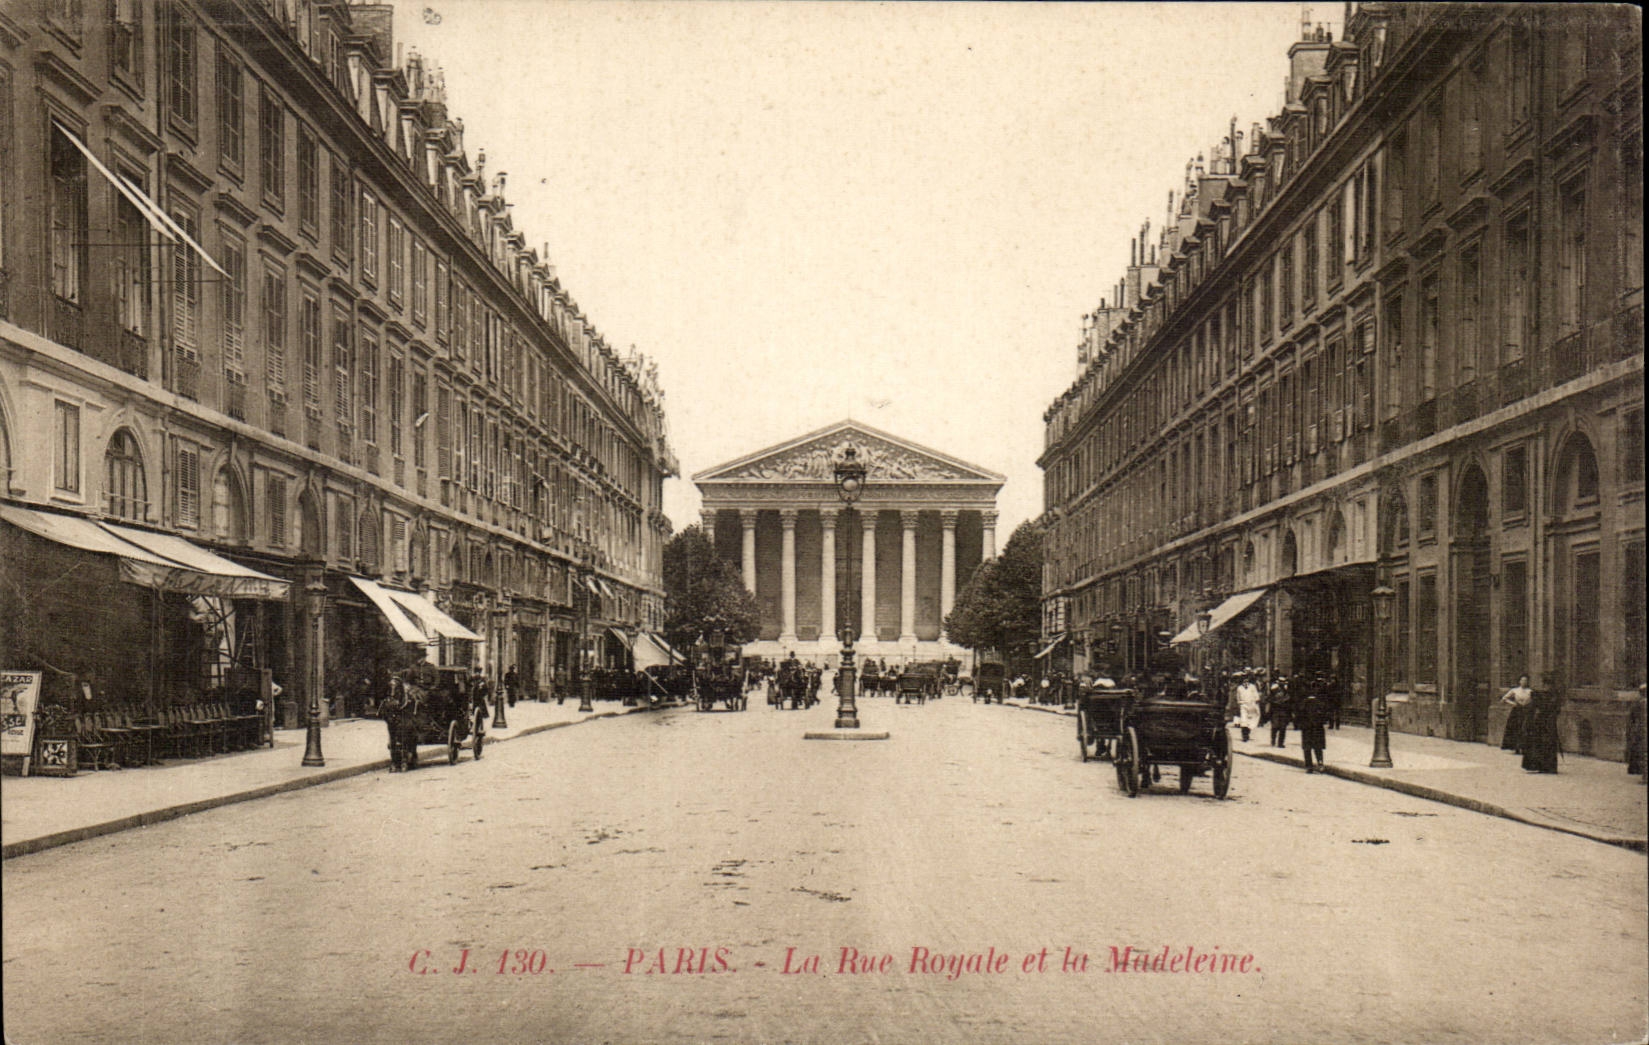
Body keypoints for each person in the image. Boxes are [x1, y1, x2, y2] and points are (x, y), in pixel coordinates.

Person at [1521, 684, 1561, 773]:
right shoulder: (1542, 700)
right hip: (1542, 725)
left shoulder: (1543, 700)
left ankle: (1543, 766)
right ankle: (1544, 766)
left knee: (1542, 744)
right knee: (1542, 744)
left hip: (1543, 725)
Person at [1295, 679, 1328, 772]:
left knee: (1307, 747)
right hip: (1318, 728)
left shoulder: (1303, 703)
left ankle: (1309, 766)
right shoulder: (1320, 703)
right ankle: (1320, 763)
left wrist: (1300, 725)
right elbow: (1325, 715)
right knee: (1318, 747)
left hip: (1307, 728)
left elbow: (1298, 716)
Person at [1499, 674, 1533, 753]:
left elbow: (1534, 700)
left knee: (1525, 728)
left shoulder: (1530, 691)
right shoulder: (1515, 690)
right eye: (1522, 680)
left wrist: (1529, 704)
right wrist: (1513, 703)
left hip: (1526, 711)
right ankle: (1516, 747)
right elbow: (1504, 699)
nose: (1524, 682)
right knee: (1516, 728)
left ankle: (1524, 747)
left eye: (1526, 680)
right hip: (1517, 711)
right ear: (1519, 681)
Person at [1235, 671, 1261, 743]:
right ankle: (1244, 735)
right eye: (1244, 681)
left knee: (1252, 720)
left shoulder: (1252, 687)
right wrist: (1239, 704)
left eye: (1247, 681)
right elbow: (1238, 697)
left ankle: (1248, 731)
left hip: (1252, 705)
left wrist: (1256, 701)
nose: (1245, 683)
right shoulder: (1239, 688)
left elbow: (1256, 695)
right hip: (1243, 705)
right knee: (1244, 720)